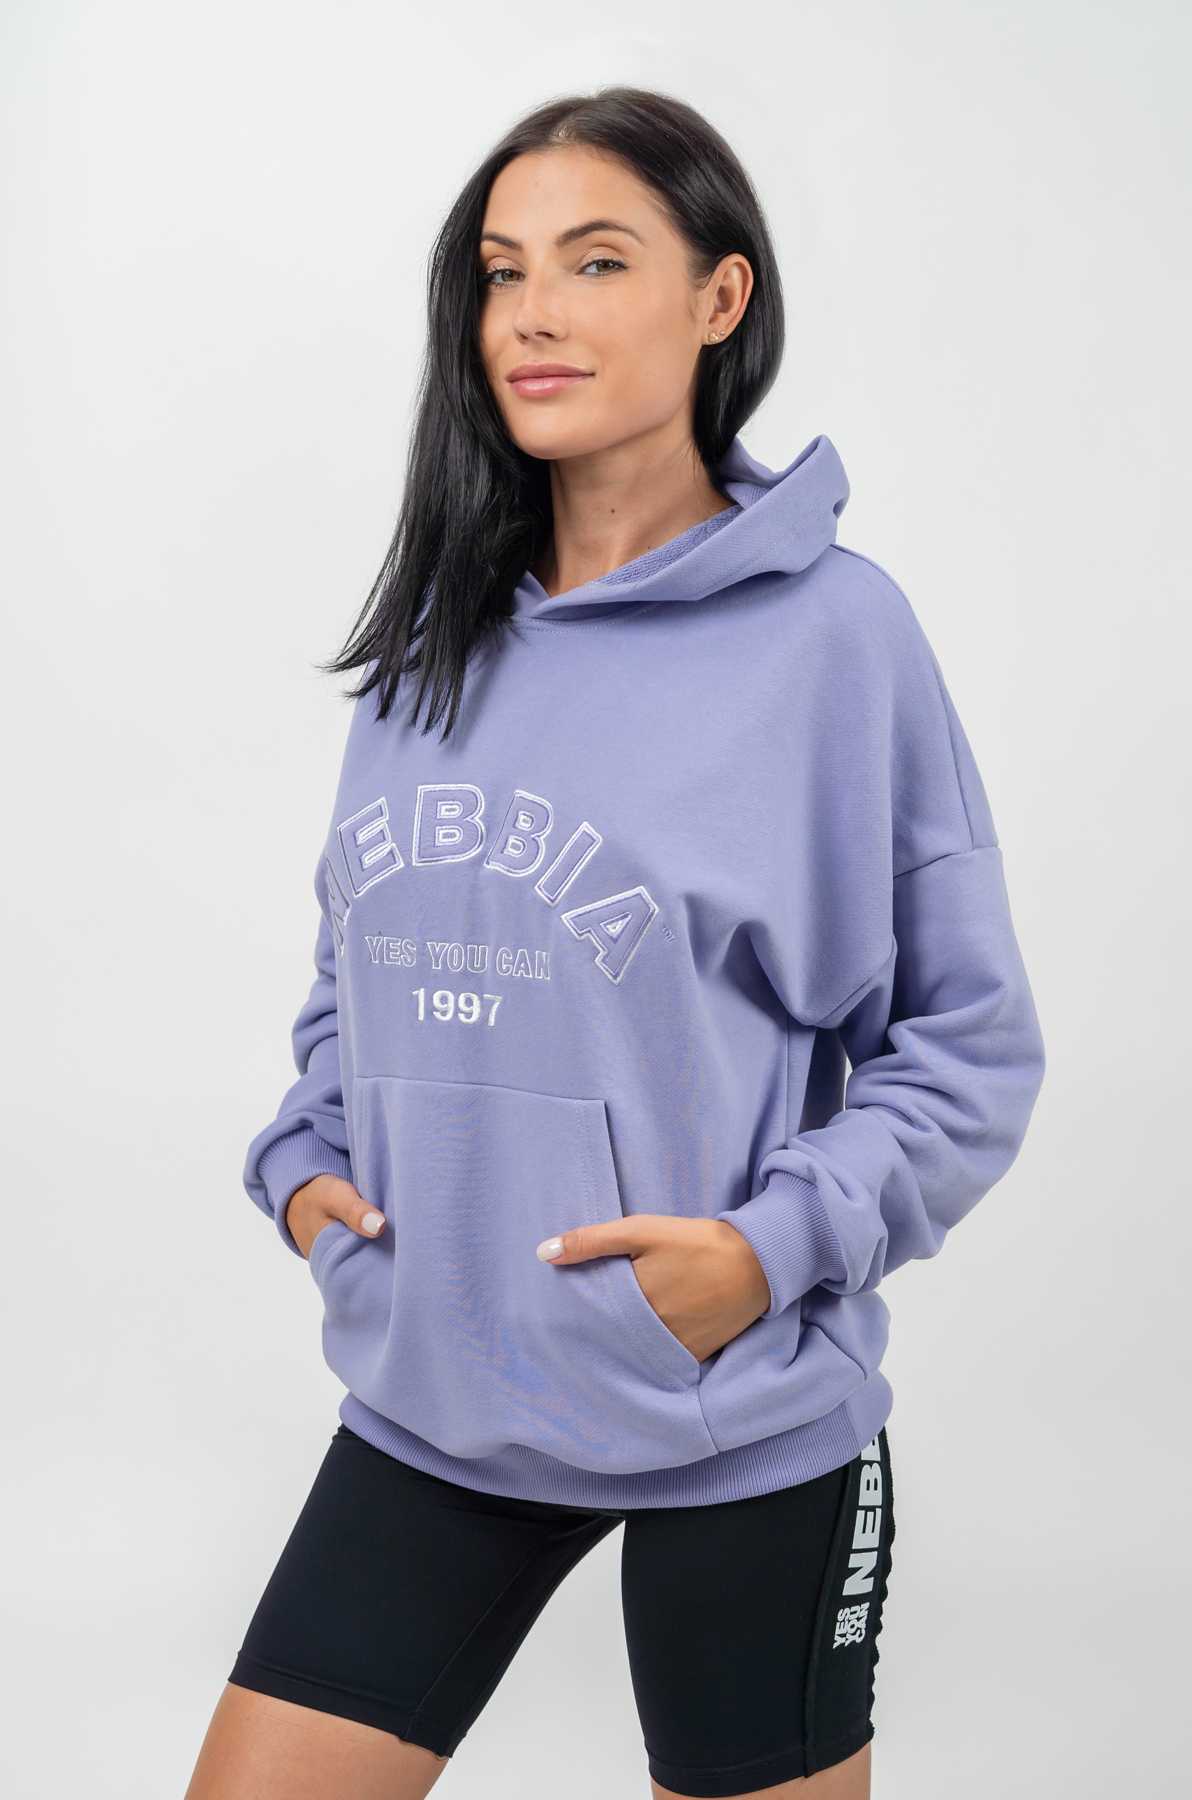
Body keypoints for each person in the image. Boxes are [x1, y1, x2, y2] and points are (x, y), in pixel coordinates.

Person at [186, 86, 1046, 1800]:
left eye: (595, 262)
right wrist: (306, 1167)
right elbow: (360, 969)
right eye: (503, 273)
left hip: (732, 1413)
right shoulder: (438, 632)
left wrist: (765, 1253)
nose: (534, 314)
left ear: (720, 298)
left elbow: (969, 1043)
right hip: (436, 1396)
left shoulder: (836, 639)